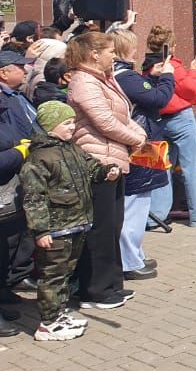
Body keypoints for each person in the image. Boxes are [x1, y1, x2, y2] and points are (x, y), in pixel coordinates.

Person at [20, 101, 120, 340]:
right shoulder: (40, 158)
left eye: (73, 122)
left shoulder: (72, 149)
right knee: (53, 275)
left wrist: (106, 171)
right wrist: (41, 230)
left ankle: (59, 313)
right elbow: (34, 197)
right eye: (66, 123)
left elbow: (91, 167)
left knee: (66, 273)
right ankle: (47, 323)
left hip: (77, 223)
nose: (72, 127)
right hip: (55, 228)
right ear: (49, 126)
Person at [66, 31, 146, 309]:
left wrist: (139, 133)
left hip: (114, 158)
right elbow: (104, 121)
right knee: (100, 227)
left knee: (112, 225)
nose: (115, 55)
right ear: (93, 54)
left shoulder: (104, 79)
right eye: (110, 51)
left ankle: (110, 285)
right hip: (97, 161)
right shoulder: (83, 82)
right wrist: (137, 139)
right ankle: (95, 290)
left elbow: (121, 115)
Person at [109, 29, 173, 280]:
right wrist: (167, 77)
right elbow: (159, 99)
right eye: (131, 47)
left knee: (136, 201)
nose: (136, 51)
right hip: (138, 144)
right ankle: (129, 260)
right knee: (135, 203)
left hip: (135, 142)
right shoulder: (124, 76)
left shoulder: (119, 75)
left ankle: (133, 253)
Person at [144, 26, 196, 227]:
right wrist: (194, 70)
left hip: (157, 121)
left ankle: (156, 215)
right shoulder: (172, 65)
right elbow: (191, 89)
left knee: (162, 167)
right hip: (180, 119)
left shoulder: (148, 66)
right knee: (191, 167)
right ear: (171, 46)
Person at [0, 49, 37, 336]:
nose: (25, 71)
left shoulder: (13, 98)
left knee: (6, 243)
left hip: (9, 186)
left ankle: (3, 292)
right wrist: (19, 151)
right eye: (19, 67)